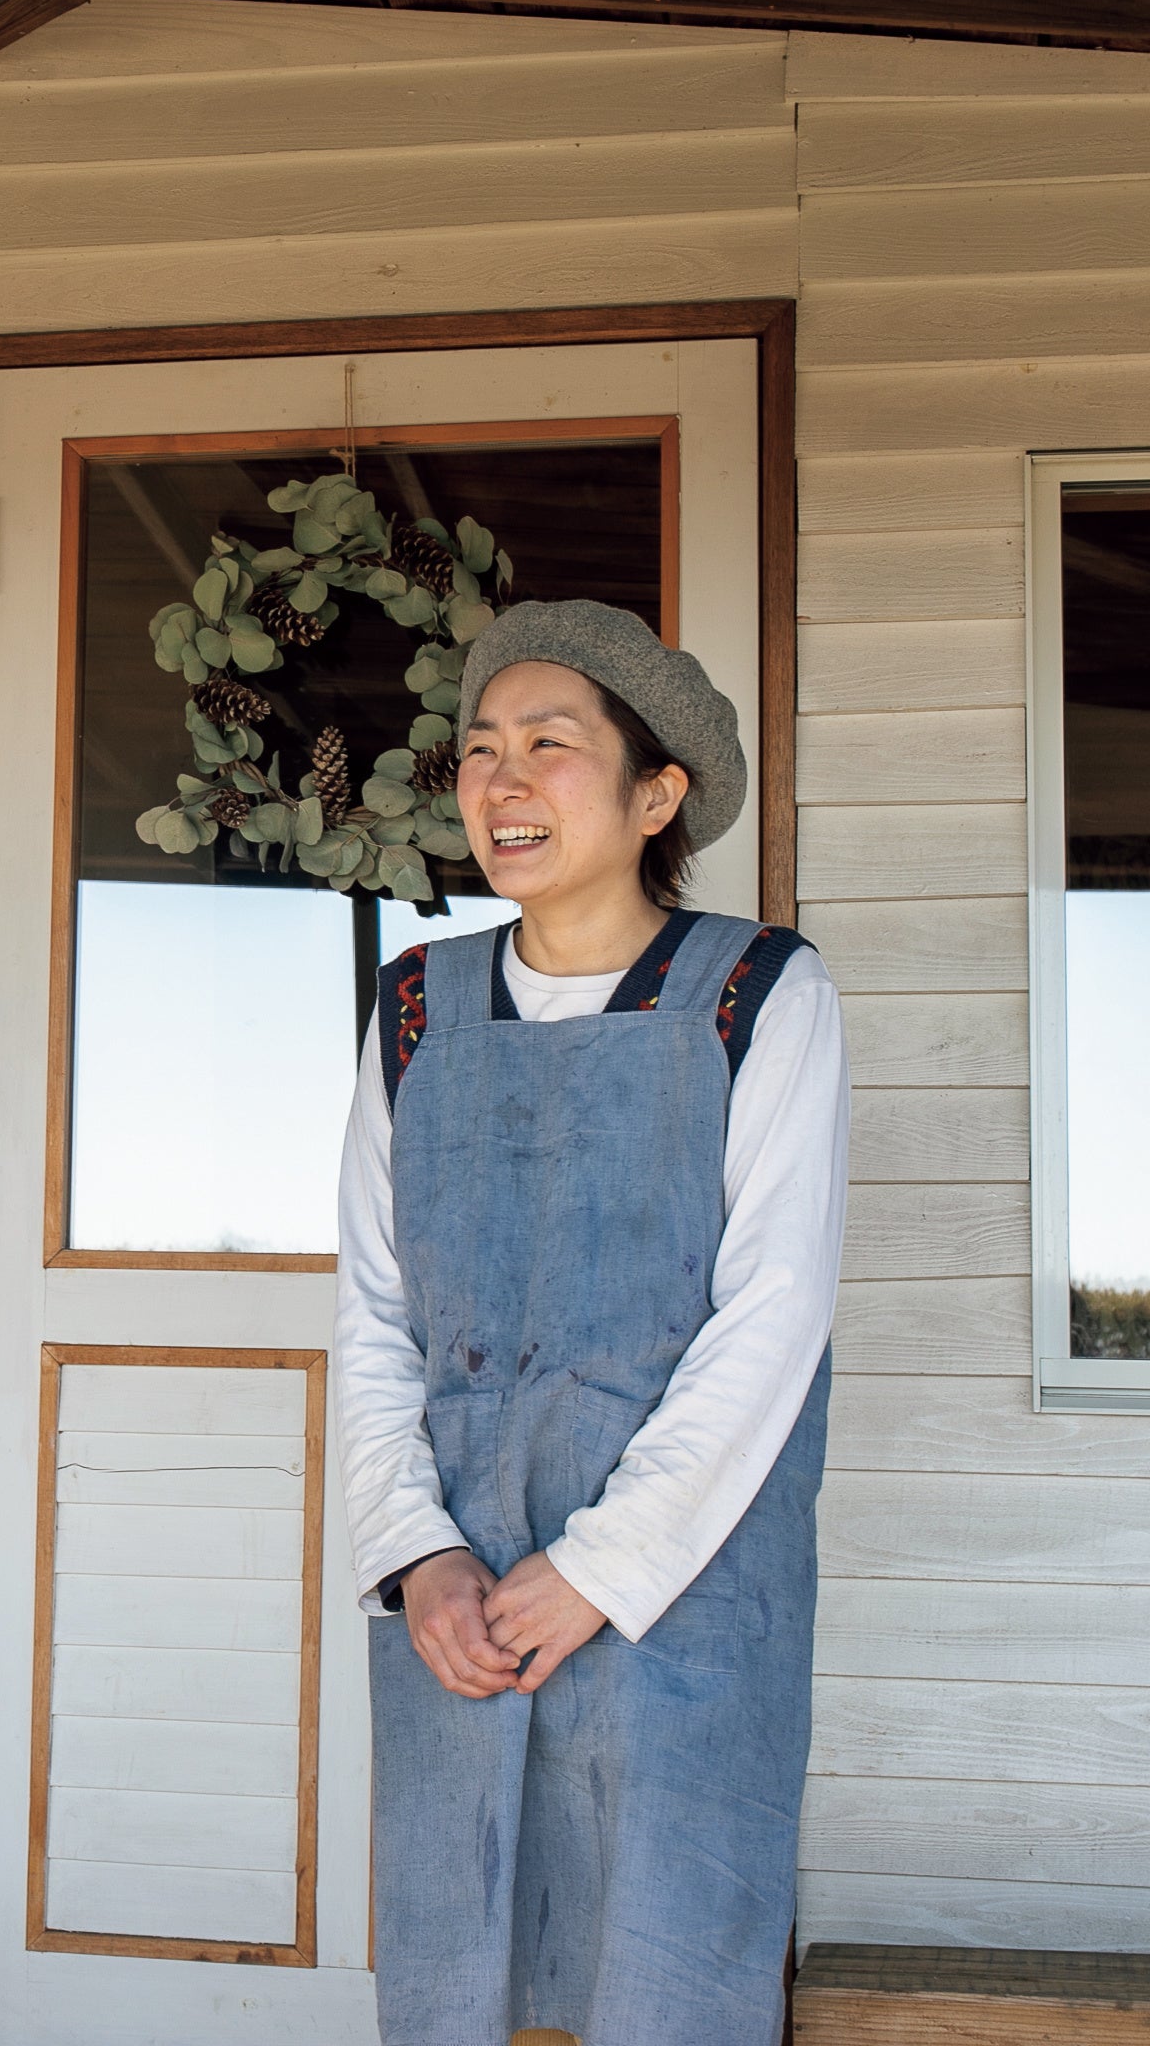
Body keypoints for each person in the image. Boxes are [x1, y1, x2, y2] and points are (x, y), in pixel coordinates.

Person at [336, 597, 849, 2046]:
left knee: (666, 1962)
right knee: (459, 1956)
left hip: (679, 1588)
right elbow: (374, 1313)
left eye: (550, 746)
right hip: (462, 1602)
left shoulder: (760, 991)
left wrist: (602, 1569)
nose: (502, 782)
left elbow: (775, 1312)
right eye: (481, 749)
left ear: (655, 793)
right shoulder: (417, 1012)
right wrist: (417, 1557)